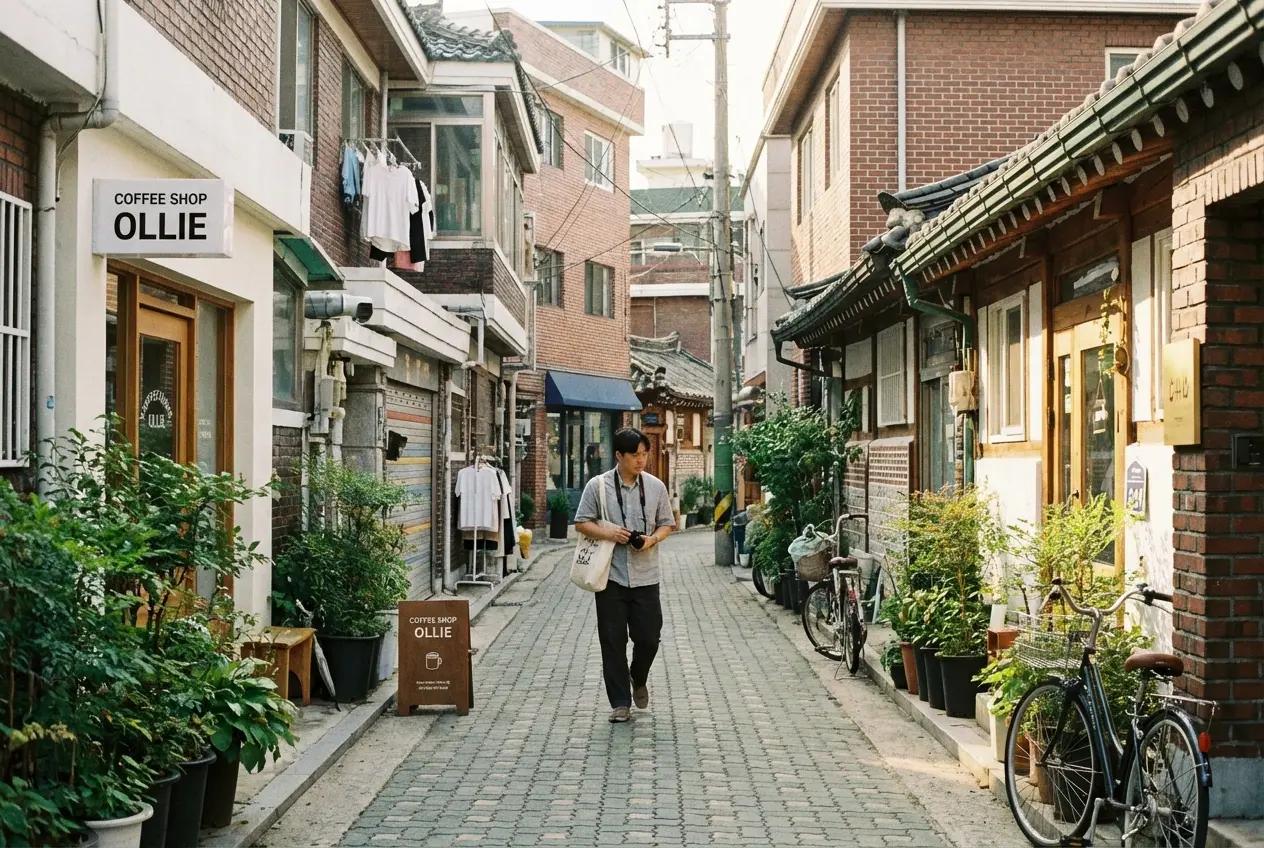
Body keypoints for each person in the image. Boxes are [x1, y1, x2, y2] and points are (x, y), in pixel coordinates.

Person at [574, 427, 676, 723]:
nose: (641, 460)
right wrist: (611, 533)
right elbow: (581, 522)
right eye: (635, 455)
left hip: (646, 576)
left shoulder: (656, 487)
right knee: (612, 641)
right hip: (611, 577)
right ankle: (620, 702)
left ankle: (638, 676)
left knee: (649, 638)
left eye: (644, 454)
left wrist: (651, 540)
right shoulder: (598, 486)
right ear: (619, 455)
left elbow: (667, 524)